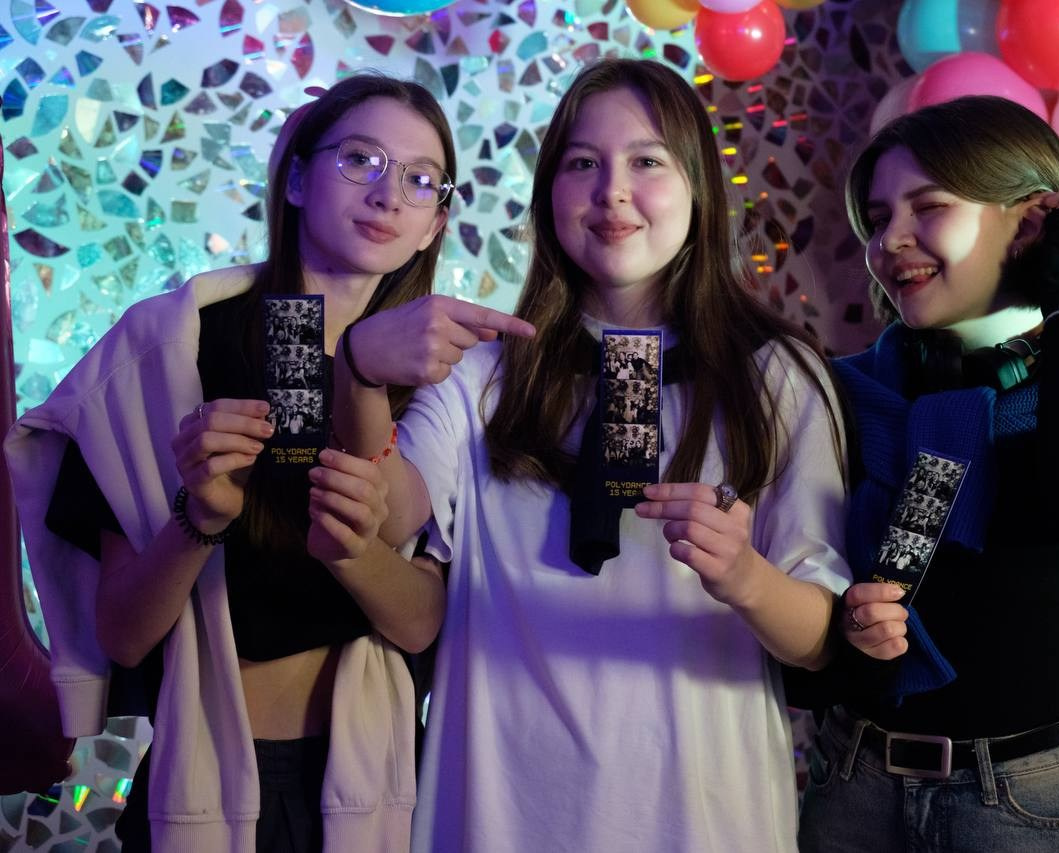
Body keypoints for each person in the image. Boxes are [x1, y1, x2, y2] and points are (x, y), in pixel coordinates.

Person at [335, 57, 870, 851]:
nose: (612, 191)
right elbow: (389, 516)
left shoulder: (777, 374)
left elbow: (820, 637)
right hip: (500, 815)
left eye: (647, 162)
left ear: (698, 187)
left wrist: (744, 576)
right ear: (548, 192)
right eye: (583, 163)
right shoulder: (482, 372)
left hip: (705, 818)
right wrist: (358, 371)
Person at [5, 73, 524, 851]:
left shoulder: (442, 380)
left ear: (435, 224)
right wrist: (199, 518)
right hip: (202, 773)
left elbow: (421, 622)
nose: (388, 195)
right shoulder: (167, 350)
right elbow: (123, 635)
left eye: (421, 180)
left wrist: (353, 546)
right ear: (296, 178)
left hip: (380, 778)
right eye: (361, 159)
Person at [792, 95, 1059, 852]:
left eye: (929, 206)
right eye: (878, 217)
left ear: (1030, 224)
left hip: (1054, 809)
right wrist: (848, 639)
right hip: (854, 794)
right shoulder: (841, 398)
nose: (888, 240)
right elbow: (802, 650)